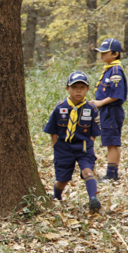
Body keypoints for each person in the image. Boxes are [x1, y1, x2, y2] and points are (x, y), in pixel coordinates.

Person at [44, 71, 101, 213]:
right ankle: (57, 196)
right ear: (67, 89)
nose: (78, 90)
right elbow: (52, 130)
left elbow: (95, 131)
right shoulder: (60, 108)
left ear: (87, 89)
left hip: (83, 146)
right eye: (75, 87)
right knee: (62, 178)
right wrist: (56, 145)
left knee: (88, 171)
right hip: (63, 147)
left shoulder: (91, 108)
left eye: (82, 87)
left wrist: (90, 144)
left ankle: (93, 198)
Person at [90, 38, 128, 182]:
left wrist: (100, 103)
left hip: (111, 111)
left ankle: (111, 174)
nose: (102, 55)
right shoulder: (110, 68)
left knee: (112, 142)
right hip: (107, 111)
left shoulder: (116, 71)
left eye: (105, 52)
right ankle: (113, 173)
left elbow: (116, 95)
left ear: (115, 54)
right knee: (112, 141)